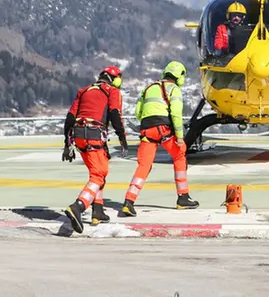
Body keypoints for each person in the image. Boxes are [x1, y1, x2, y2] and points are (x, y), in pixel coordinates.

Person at [118, 61, 199, 217]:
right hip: (163, 129)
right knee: (179, 154)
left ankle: (129, 202)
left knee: (144, 166)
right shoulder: (173, 89)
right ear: (179, 75)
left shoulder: (149, 88)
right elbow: (175, 114)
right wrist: (180, 137)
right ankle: (183, 197)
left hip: (147, 130)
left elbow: (138, 112)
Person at [62, 66, 128, 234]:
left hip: (78, 135)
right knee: (98, 175)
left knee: (100, 170)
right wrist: (122, 137)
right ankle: (78, 206)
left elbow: (70, 118)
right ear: (114, 78)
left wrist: (67, 144)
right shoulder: (112, 91)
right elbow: (114, 114)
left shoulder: (84, 91)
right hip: (94, 134)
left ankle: (97, 210)